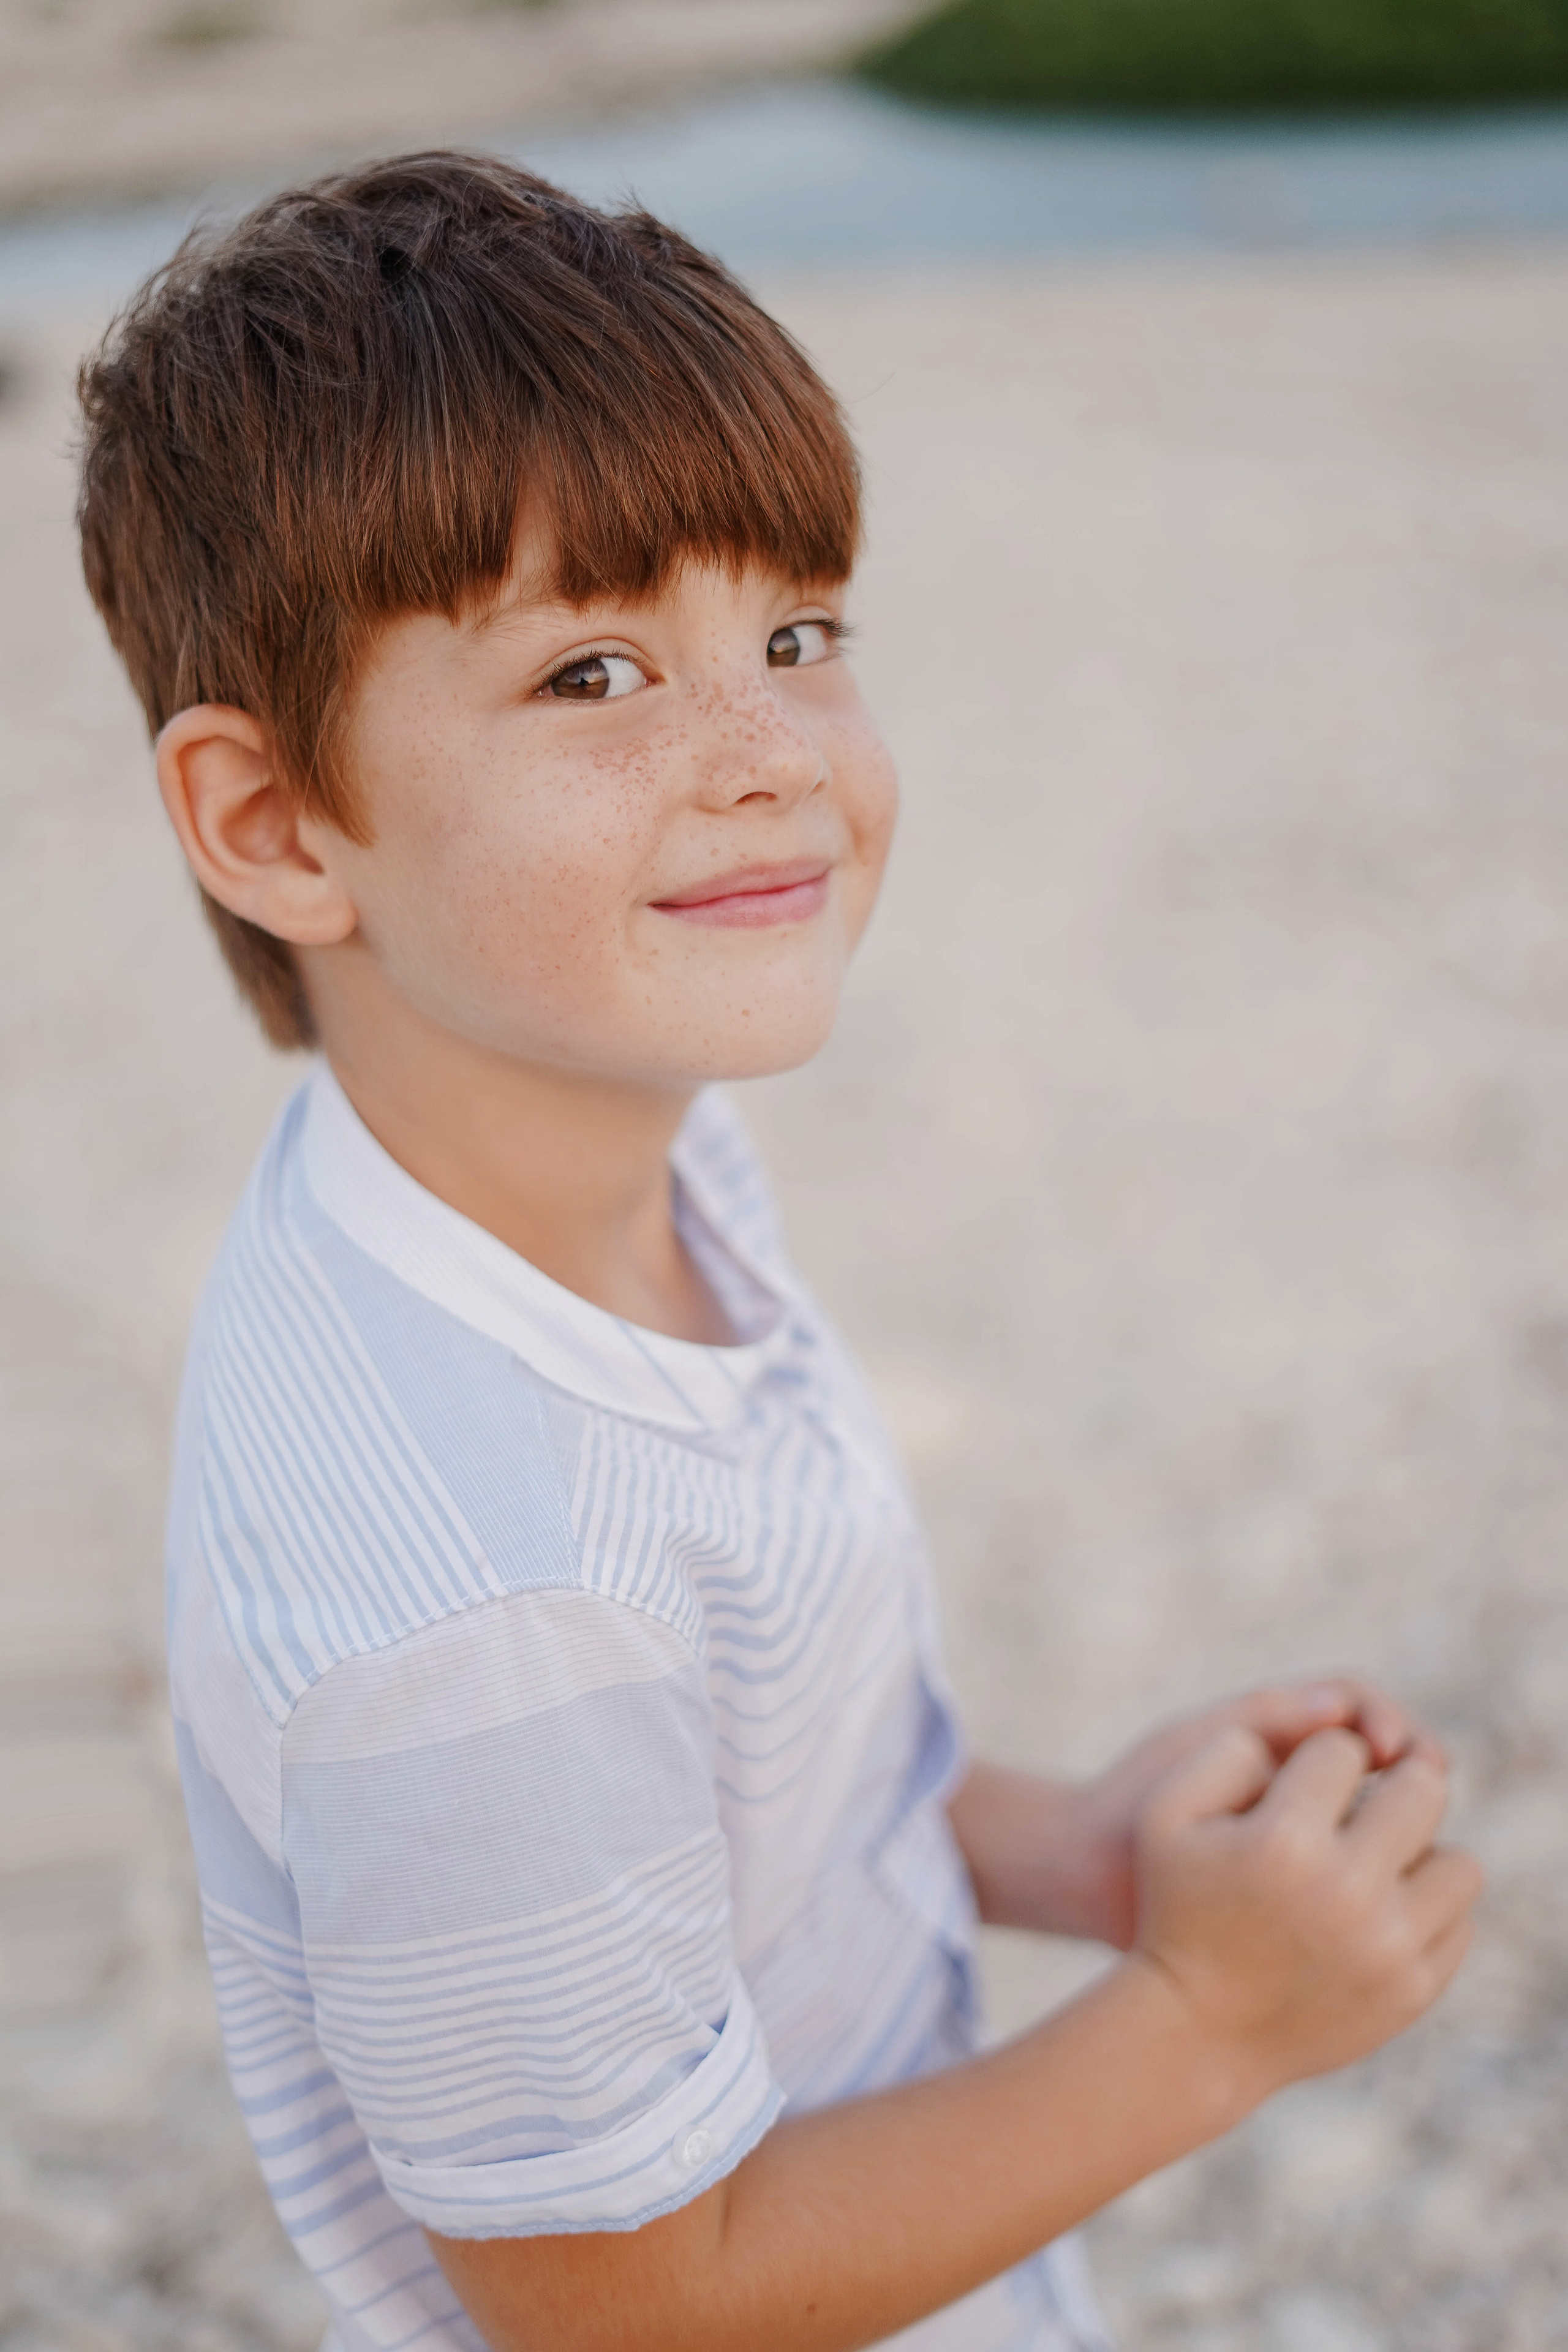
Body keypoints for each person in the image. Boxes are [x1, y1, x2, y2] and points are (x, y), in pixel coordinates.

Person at [77, 152, 1481, 2352]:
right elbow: (624, 2297)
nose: (765, 759)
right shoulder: (477, 1595)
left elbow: (746, 1786)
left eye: (800, 635)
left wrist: (1073, 1854)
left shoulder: (602, 1160)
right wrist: (1215, 2023)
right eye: (595, 673)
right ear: (278, 824)